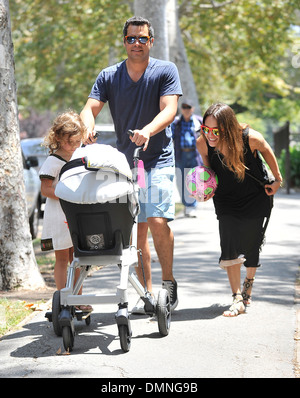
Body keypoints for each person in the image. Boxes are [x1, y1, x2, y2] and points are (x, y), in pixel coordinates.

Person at [80, 16, 182, 313]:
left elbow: (170, 108)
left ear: (151, 41)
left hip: (159, 157)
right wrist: (88, 126)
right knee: (136, 231)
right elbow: (90, 107)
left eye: (142, 38)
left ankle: (168, 282)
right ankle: (147, 294)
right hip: (126, 163)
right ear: (124, 41)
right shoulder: (109, 75)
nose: (136, 43)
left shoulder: (165, 70)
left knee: (157, 221)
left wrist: (149, 129)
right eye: (131, 39)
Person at [196, 103, 282, 317]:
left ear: (228, 128)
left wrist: (278, 179)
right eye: (206, 130)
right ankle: (237, 298)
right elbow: (208, 169)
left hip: (255, 195)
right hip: (225, 199)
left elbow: (267, 151)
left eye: (215, 131)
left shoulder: (250, 138)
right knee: (229, 242)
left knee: (251, 242)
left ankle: (248, 283)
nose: (210, 135)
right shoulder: (203, 143)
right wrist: (205, 187)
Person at [39, 111, 92, 311]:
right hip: (59, 215)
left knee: (77, 258)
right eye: (71, 142)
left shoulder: (78, 156)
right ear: (58, 138)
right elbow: (45, 189)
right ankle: (63, 300)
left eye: (78, 141)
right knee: (62, 258)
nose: (75, 146)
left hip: (75, 215)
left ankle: (78, 299)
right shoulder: (52, 162)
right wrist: (67, 194)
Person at [172, 99, 203, 217]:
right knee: (181, 182)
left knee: (194, 181)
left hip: (194, 155)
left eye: (188, 107)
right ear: (181, 109)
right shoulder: (176, 123)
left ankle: (192, 206)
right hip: (181, 155)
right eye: (184, 107)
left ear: (192, 109)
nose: (186, 110)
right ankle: (186, 205)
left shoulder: (198, 121)